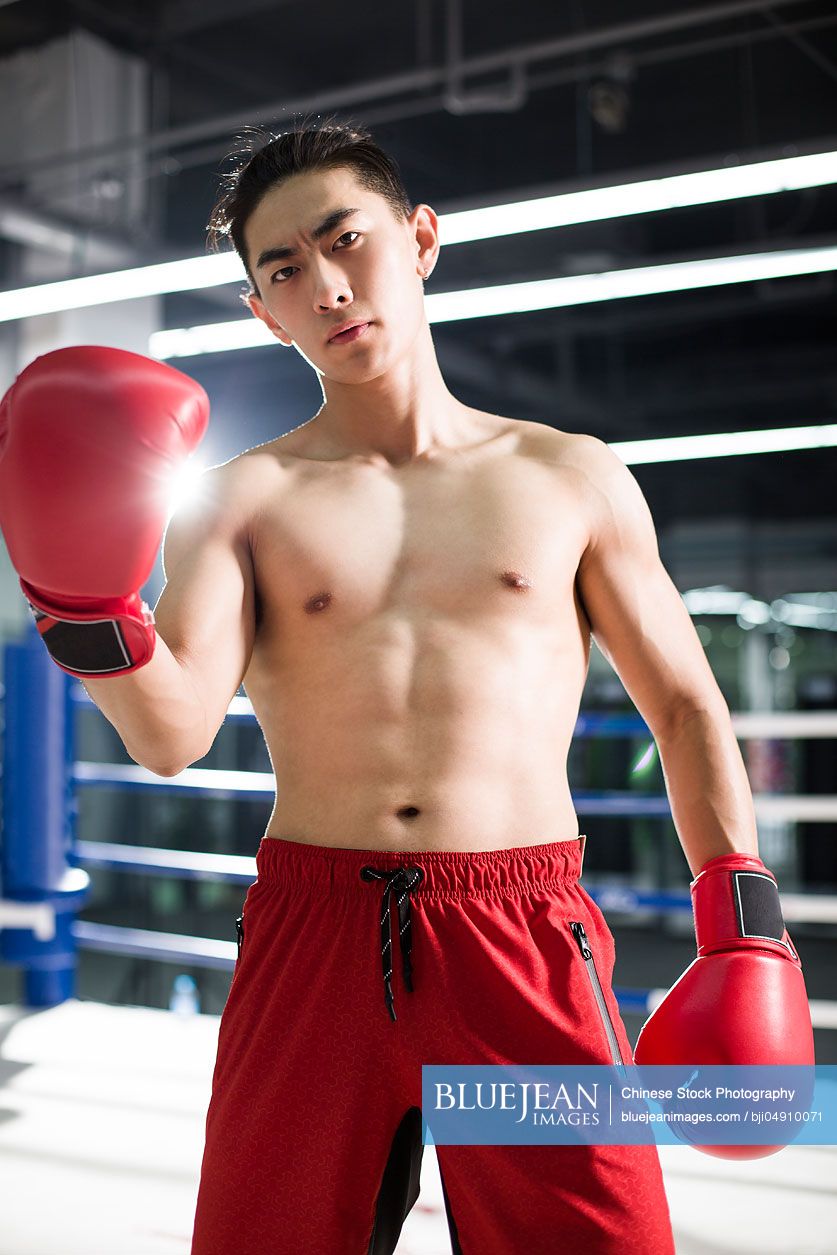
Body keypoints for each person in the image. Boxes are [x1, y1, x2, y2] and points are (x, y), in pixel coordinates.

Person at [0, 116, 813, 1255]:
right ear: (260, 312)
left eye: (347, 241)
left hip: (520, 931)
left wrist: (743, 923)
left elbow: (683, 704)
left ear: (420, 238)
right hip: (313, 935)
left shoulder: (568, 475)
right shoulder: (241, 499)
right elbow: (174, 732)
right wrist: (84, 614)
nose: (327, 286)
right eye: (285, 269)